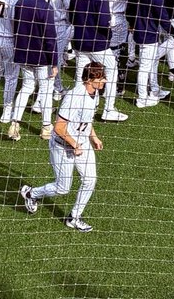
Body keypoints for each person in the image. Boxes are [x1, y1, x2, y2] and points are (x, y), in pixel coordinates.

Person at [20, 62, 107, 232]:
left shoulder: (95, 92)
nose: (104, 81)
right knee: (62, 188)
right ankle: (31, 194)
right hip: (62, 146)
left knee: (90, 180)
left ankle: (74, 217)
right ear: (90, 79)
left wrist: (94, 137)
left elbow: (86, 120)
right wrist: (74, 144)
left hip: (82, 144)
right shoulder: (74, 96)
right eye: (101, 77)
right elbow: (59, 127)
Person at [68, 0, 128, 122]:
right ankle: (108, 109)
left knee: (81, 77)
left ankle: (78, 108)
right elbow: (103, 21)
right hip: (97, 43)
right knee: (112, 71)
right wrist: (107, 33)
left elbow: (71, 17)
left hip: (79, 41)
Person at [7, 0, 58, 139]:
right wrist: (55, 62)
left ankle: (15, 123)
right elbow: (50, 38)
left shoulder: (20, 3)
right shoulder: (46, 8)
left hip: (23, 54)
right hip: (41, 57)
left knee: (27, 87)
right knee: (45, 90)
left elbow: (16, 28)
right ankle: (46, 127)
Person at [125, 0, 172, 108]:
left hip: (139, 32)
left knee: (152, 62)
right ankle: (142, 98)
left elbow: (129, 10)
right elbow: (163, 18)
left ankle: (155, 89)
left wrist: (132, 23)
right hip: (149, 35)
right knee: (145, 67)